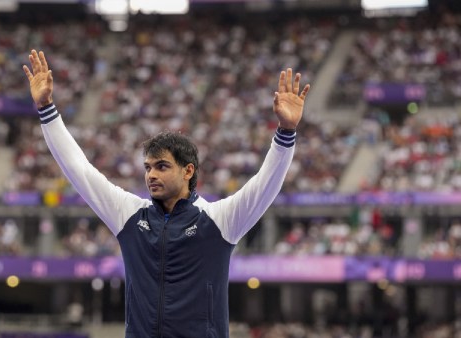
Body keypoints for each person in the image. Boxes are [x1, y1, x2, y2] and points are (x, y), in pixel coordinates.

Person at [23, 49, 310, 338]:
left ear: (188, 171)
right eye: (148, 167)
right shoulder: (129, 216)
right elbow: (79, 169)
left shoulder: (220, 220)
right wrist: (47, 108)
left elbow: (265, 185)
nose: (151, 175)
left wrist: (286, 132)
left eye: (161, 166)